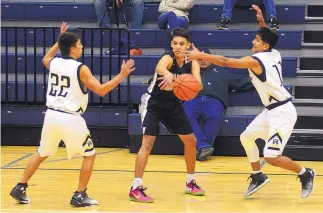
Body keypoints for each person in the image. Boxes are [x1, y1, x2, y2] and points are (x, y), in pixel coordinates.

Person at [184, 5, 315, 198]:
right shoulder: (274, 53)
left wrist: (201, 55)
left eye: (257, 40)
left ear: (264, 46)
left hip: (282, 113)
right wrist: (261, 21)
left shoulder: (256, 61)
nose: (253, 41)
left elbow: (227, 62)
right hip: (271, 109)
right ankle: (257, 176)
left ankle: (305, 173)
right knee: (246, 137)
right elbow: (267, 36)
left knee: (271, 157)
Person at [9, 22, 135, 207]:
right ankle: (80, 194)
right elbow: (100, 90)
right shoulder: (81, 68)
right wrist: (121, 76)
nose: (82, 47)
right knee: (90, 155)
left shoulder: (54, 62)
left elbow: (45, 58)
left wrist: (59, 40)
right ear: (73, 49)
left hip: (51, 116)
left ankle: (20, 186)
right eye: (79, 44)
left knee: (42, 152)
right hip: (70, 117)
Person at [129, 28, 205, 203]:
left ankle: (190, 183)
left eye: (182, 44)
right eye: (175, 43)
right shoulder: (168, 57)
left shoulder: (191, 62)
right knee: (147, 143)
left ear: (188, 45)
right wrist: (169, 75)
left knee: (191, 141)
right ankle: (135, 187)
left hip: (173, 105)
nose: (178, 47)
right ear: (171, 44)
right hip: (154, 103)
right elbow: (159, 67)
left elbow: (198, 84)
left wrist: (185, 83)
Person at [183, 48, 254, 161]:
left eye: (205, 58)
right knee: (185, 114)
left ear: (210, 58)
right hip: (192, 99)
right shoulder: (187, 72)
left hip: (214, 100)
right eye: (199, 59)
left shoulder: (221, 72)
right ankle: (204, 147)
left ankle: (199, 148)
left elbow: (240, 81)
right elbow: (171, 78)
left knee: (215, 115)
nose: (202, 61)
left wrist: (262, 81)